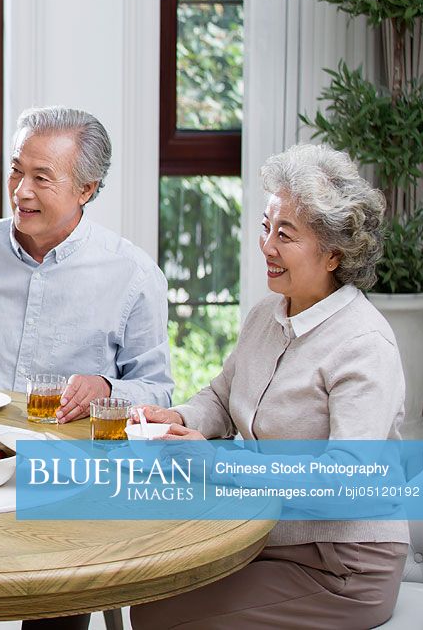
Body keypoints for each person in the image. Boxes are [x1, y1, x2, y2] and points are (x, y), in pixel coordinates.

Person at [131, 144, 407, 629]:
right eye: (266, 227)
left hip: (344, 565)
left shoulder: (364, 344)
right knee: (150, 584)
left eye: (286, 234)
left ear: (333, 254)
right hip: (268, 538)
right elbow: (220, 396)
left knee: (160, 615)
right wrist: (177, 418)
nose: (267, 246)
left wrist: (216, 463)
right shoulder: (267, 314)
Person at [0, 106, 173, 422]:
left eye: (41, 178)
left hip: (66, 459)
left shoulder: (134, 274)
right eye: (15, 170)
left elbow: (157, 390)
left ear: (86, 188)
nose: (21, 191)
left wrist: (107, 389)